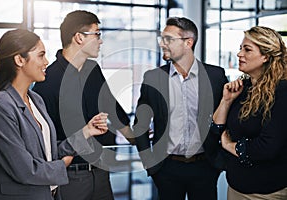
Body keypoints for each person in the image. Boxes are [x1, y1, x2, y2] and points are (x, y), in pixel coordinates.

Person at [0, 29, 109, 200]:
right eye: (41, 55)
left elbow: (48, 152)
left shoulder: (36, 100)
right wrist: (63, 164)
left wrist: (87, 131)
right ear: (20, 60)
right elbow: (25, 170)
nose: (46, 62)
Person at [33, 10, 135, 200]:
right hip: (71, 177)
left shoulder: (92, 69)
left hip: (101, 172)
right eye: (96, 34)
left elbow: (113, 108)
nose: (100, 40)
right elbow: (43, 138)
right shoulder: (48, 80)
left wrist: (137, 139)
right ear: (79, 37)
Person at [133, 17, 228, 200]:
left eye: (169, 39)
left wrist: (218, 161)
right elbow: (140, 125)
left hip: (205, 167)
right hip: (166, 169)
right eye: (162, 38)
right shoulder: (153, 78)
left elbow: (227, 119)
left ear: (188, 43)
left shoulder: (216, 76)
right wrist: (151, 165)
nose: (162, 43)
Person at [212, 26, 287, 199]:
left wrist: (228, 145)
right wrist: (226, 100)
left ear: (266, 56)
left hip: (267, 192)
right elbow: (216, 129)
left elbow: (266, 148)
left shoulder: (282, 92)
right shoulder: (243, 87)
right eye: (240, 48)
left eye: (247, 49)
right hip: (236, 186)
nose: (239, 54)